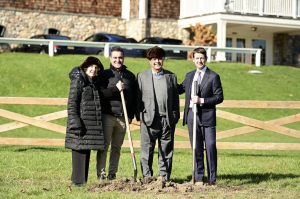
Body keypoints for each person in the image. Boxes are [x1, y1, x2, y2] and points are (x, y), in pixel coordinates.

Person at [65, 56, 123, 187]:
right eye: (91, 67)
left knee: (85, 150)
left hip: (88, 123)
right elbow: (72, 103)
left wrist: (115, 89)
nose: (94, 69)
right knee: (79, 151)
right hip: (80, 122)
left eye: (96, 68)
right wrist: (75, 122)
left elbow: (101, 96)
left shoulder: (92, 82)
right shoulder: (78, 81)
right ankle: (77, 182)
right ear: (85, 67)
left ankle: (81, 182)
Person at [178, 47, 223, 186]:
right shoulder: (189, 75)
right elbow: (180, 89)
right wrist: (168, 82)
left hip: (207, 116)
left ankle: (211, 179)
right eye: (197, 58)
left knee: (210, 146)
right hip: (192, 115)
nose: (199, 60)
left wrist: (202, 100)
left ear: (206, 59)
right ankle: (198, 178)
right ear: (193, 60)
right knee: (196, 147)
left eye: (202, 58)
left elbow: (219, 97)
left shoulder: (213, 76)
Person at [136, 46, 180, 181]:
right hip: (149, 120)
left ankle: (164, 178)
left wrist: (174, 116)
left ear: (163, 60)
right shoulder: (142, 76)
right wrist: (141, 116)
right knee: (146, 151)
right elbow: (138, 98)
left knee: (166, 151)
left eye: (160, 59)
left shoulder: (171, 77)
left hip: (167, 120)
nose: (157, 62)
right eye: (154, 59)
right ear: (149, 60)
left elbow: (175, 100)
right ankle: (147, 177)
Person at [96, 46, 136, 180]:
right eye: (115, 58)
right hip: (108, 115)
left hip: (123, 118)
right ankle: (101, 173)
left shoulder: (130, 76)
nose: (118, 60)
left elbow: (133, 98)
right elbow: (100, 94)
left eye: (120, 58)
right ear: (110, 58)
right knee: (104, 147)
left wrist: (130, 115)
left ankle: (112, 173)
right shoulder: (104, 74)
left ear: (123, 58)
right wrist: (115, 89)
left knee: (117, 148)